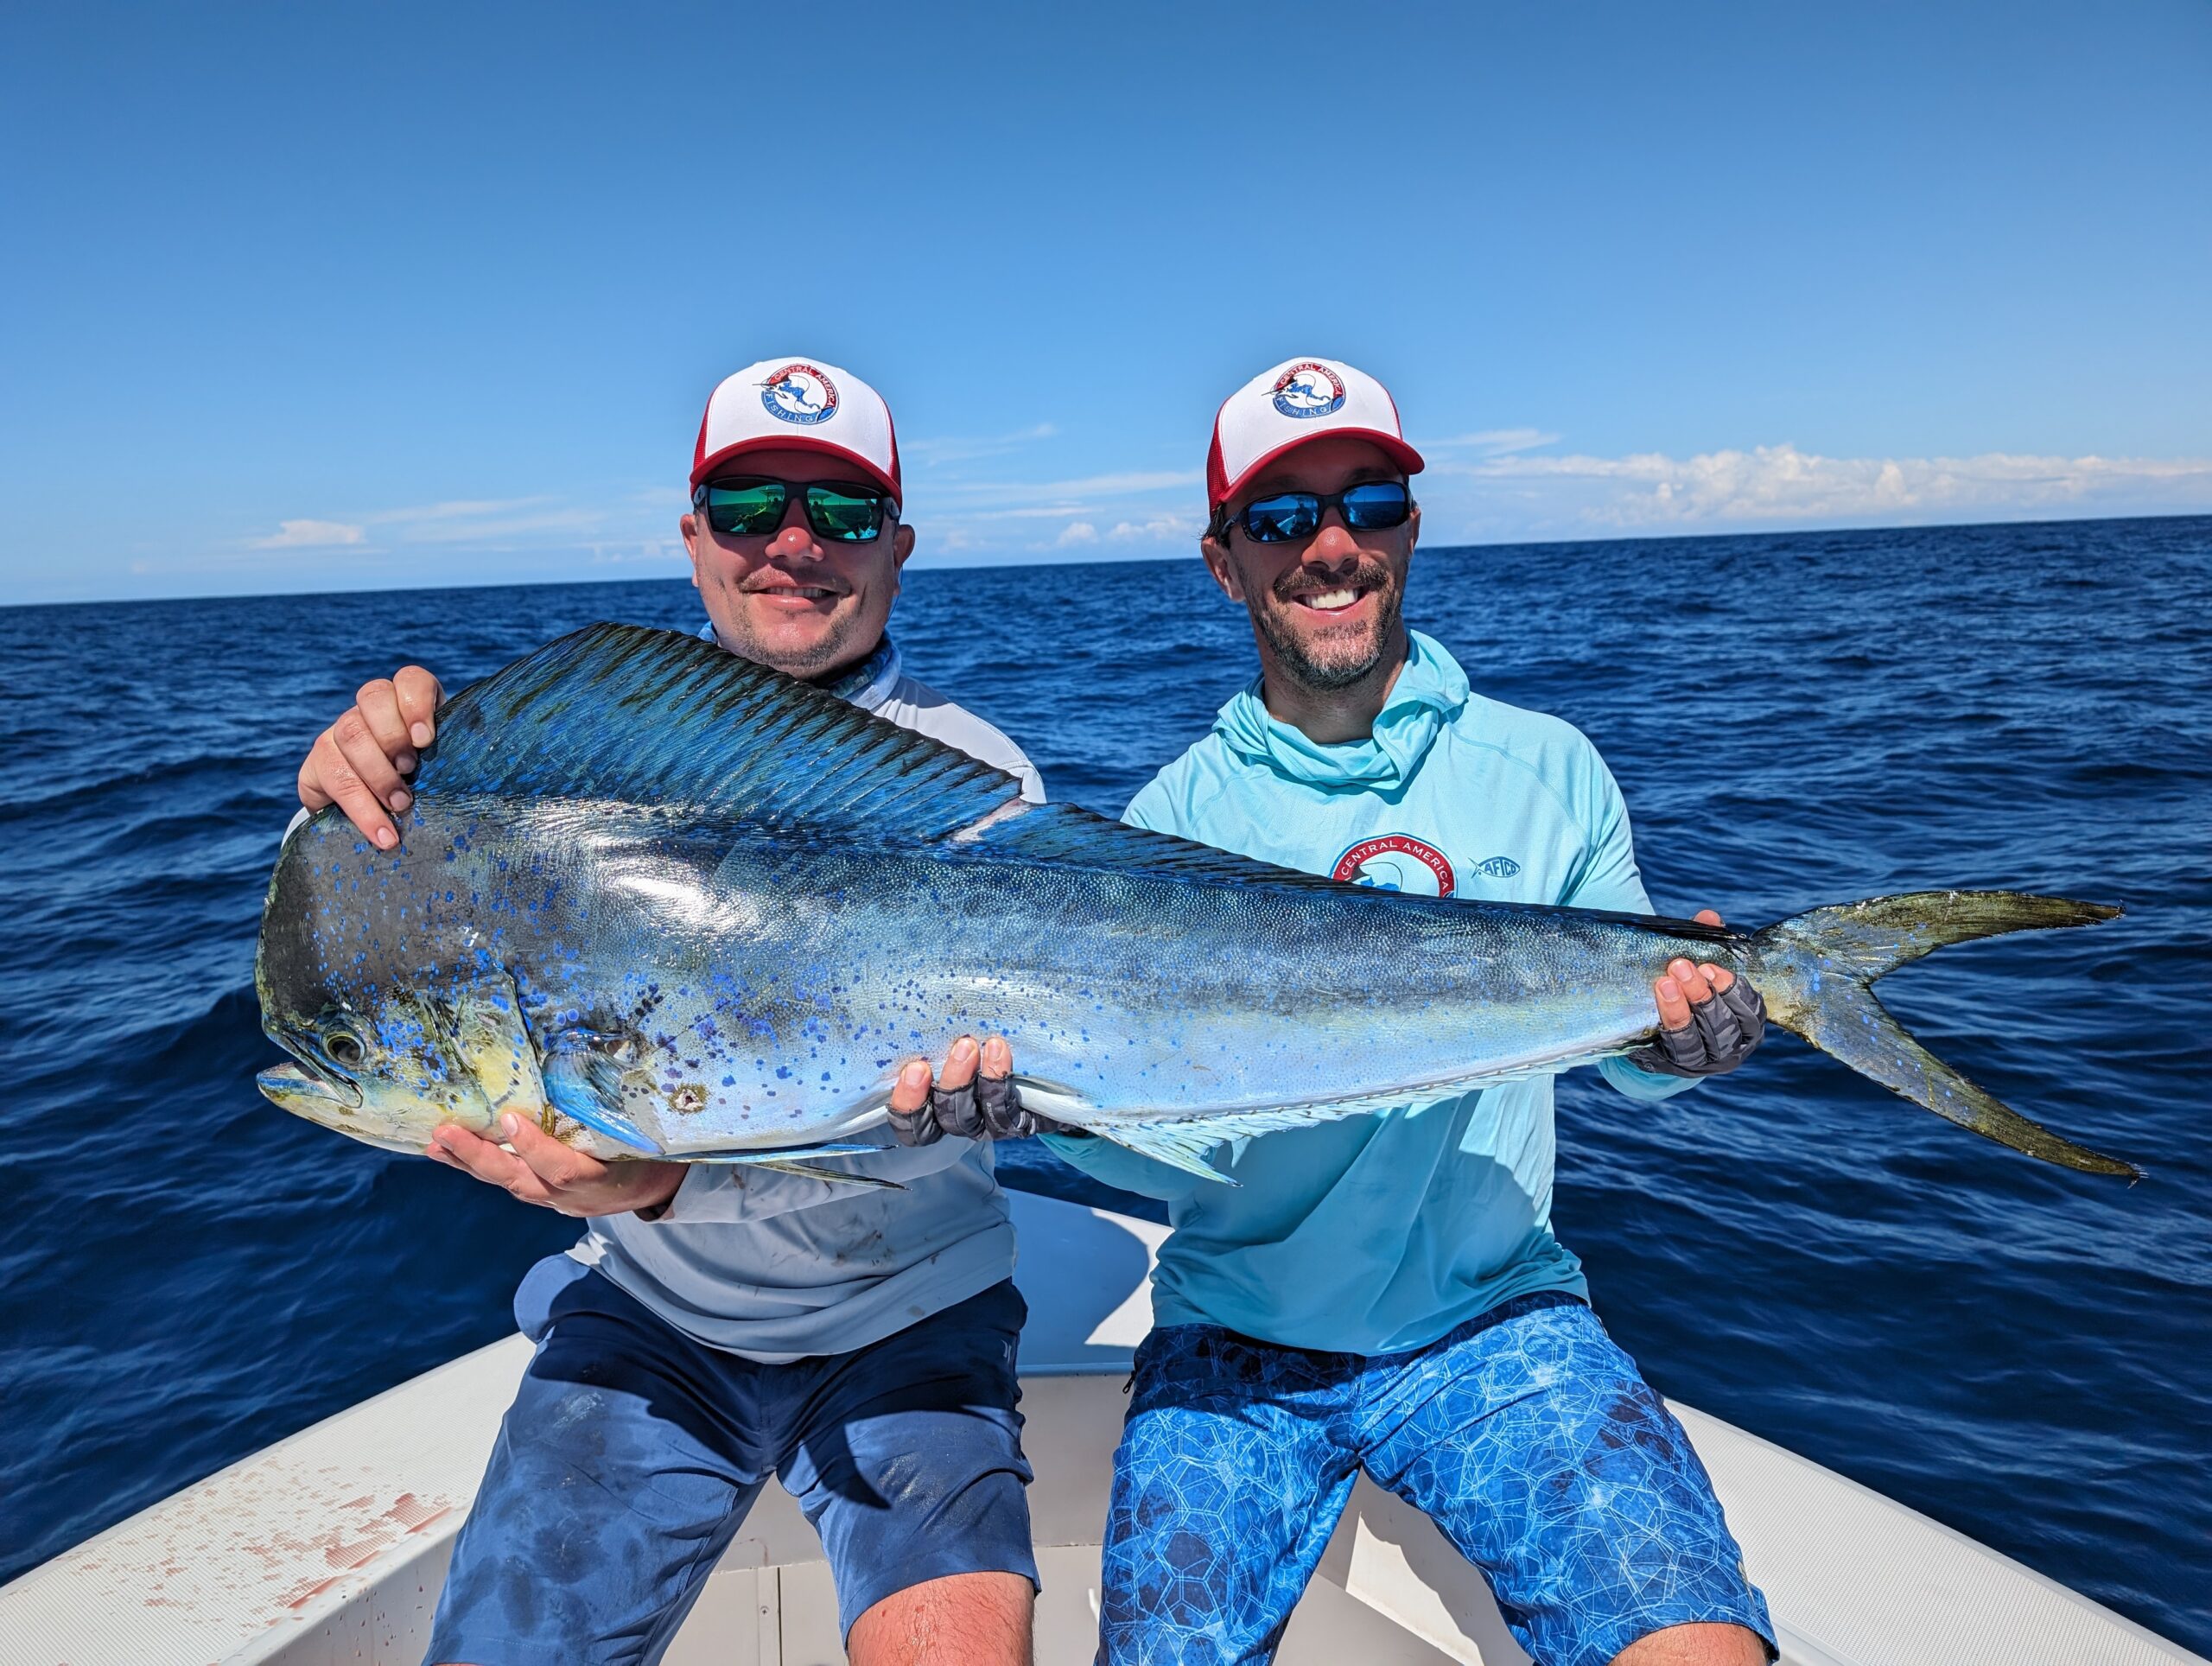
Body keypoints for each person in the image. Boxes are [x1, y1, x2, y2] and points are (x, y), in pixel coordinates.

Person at [291, 358, 1047, 1666]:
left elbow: (913, 1122)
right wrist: (345, 794)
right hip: (652, 1322)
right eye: (751, 507)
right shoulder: (563, 763)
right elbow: (375, 911)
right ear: (692, 532)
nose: (795, 545)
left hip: (914, 1315)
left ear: (900, 546)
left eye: (845, 513)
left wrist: (657, 1182)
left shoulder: (979, 778)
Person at [1037, 358, 1779, 1666]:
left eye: (1367, 502)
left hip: (1499, 1322)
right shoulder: (1163, 829)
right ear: (1224, 564)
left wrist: (1686, 1040)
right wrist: (1036, 1108)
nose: (1331, 546)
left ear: (1410, 530)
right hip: (1234, 1343)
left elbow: (1634, 1063)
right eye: (1281, 520)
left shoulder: (1549, 767)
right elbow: (1118, 1137)